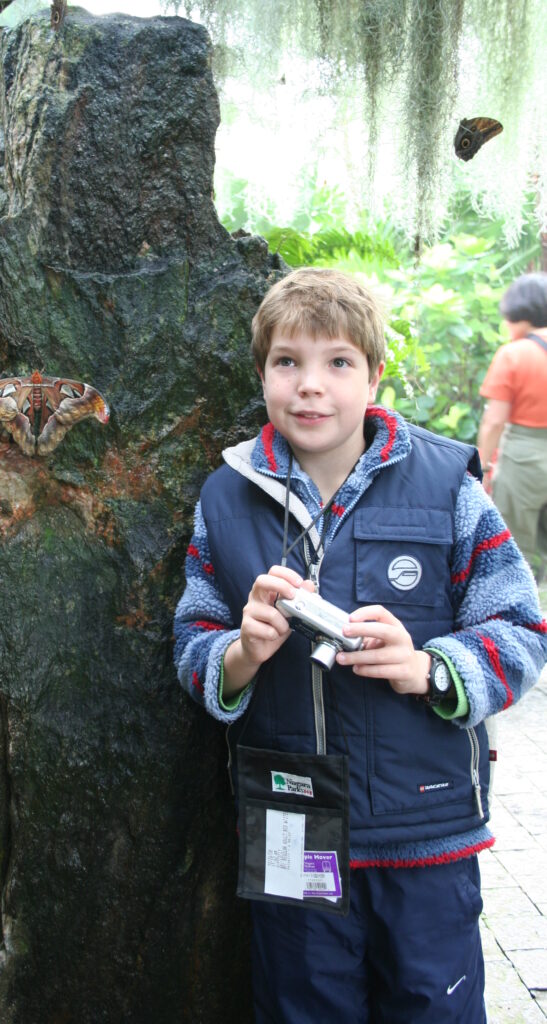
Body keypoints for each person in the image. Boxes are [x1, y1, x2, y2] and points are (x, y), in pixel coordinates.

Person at [174, 267, 547, 1023]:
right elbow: (193, 635)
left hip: (426, 827)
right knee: (303, 1004)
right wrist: (239, 654)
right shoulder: (225, 497)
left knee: (431, 1004)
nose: (310, 386)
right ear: (262, 374)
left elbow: (519, 629)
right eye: (288, 361)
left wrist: (426, 667)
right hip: (290, 828)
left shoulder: (446, 487)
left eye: (338, 362)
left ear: (374, 375)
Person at [477, 272, 547, 582]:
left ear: (520, 312)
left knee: (515, 545)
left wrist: (479, 465)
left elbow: (494, 421)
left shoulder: (515, 354)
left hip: (525, 455)